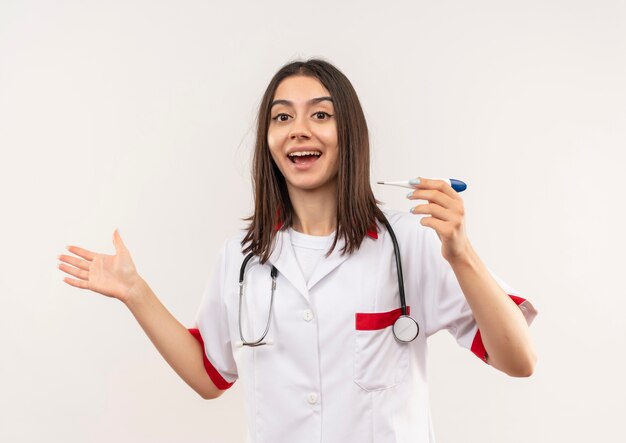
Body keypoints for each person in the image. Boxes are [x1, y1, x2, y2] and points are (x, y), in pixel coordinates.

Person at [57, 58, 537, 443]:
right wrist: (135, 292)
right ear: (268, 142)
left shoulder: (410, 243)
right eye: (282, 116)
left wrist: (460, 253)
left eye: (321, 115)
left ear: (349, 134)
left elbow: (518, 360)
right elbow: (209, 375)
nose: (299, 129)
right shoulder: (243, 258)